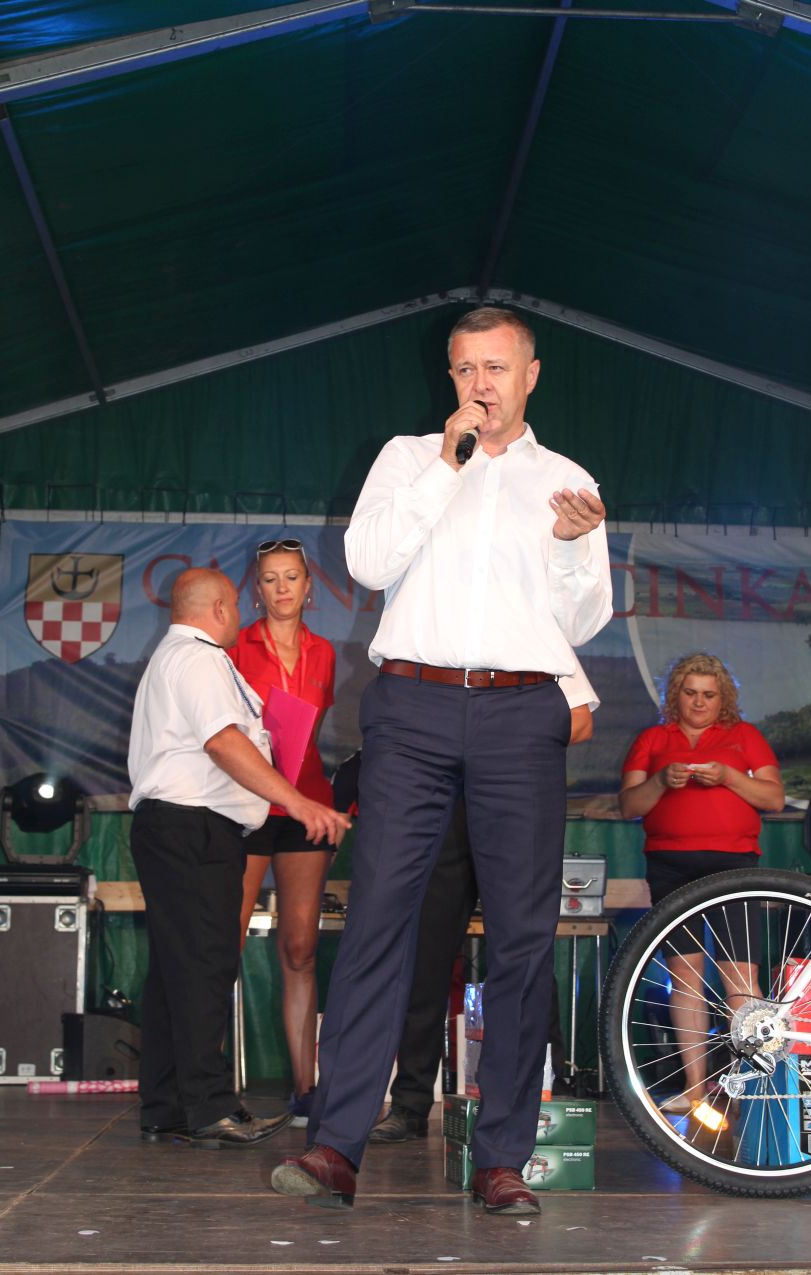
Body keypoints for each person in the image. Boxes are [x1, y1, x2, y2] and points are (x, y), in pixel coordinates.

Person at [271, 305, 612, 1213]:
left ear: (530, 375)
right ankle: (335, 1145)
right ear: (450, 378)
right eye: (466, 369)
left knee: (523, 936)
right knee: (378, 917)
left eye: (497, 368)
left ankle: (503, 1157)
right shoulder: (408, 457)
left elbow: (582, 621)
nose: (481, 385)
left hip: (520, 710)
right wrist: (446, 466)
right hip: (413, 706)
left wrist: (572, 551)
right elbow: (368, 562)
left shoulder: (568, 481)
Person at [128, 567, 350, 1148]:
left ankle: (167, 1106)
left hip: (176, 827)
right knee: (205, 964)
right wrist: (297, 801)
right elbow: (224, 742)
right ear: (222, 608)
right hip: (193, 826)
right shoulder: (198, 659)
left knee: (175, 971)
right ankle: (211, 1108)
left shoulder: (176, 657)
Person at [370, 661, 598, 1144]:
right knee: (426, 957)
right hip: (446, 816)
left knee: (524, 952)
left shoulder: (535, 640)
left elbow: (580, 720)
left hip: (511, 805)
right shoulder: (441, 646)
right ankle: (410, 1101)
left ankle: (544, 1087)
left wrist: (508, 738)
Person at [619, 651, 784, 1115]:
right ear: (676, 695)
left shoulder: (744, 736)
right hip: (670, 866)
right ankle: (695, 1091)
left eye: (708, 695)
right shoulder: (653, 738)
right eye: (690, 693)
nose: (698, 702)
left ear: (722, 697)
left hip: (734, 864)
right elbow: (629, 804)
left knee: (741, 978)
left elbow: (773, 797)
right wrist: (660, 781)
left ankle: (752, 1090)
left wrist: (729, 777)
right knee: (685, 977)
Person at [228, 538, 336, 1126]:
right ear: (257, 589)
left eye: (291, 577)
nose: (282, 588)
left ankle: (305, 1089)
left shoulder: (325, 652)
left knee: (300, 949)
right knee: (225, 943)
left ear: (308, 586)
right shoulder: (235, 646)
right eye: (270, 579)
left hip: (305, 807)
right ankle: (211, 1086)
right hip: (246, 806)